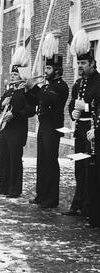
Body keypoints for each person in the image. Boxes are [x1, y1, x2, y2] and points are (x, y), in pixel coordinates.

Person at [25, 33, 69, 209]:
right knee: (41, 161)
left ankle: (51, 198)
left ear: (57, 71)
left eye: (49, 69)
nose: (45, 72)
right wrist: (28, 91)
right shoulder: (47, 86)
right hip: (43, 126)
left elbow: (48, 99)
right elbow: (36, 100)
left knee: (50, 161)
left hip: (53, 127)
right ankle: (41, 194)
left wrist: (34, 87)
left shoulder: (60, 86)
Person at [0, 47, 35, 198]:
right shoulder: (9, 91)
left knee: (15, 160)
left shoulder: (26, 92)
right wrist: (3, 103)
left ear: (21, 75)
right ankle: (2, 186)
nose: (13, 76)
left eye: (15, 74)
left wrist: (14, 114)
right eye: (12, 73)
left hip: (17, 130)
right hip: (5, 129)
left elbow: (30, 110)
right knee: (3, 159)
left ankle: (14, 189)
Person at [70, 29, 100, 226]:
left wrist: (87, 107)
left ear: (92, 64)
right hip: (80, 130)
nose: (80, 66)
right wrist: (73, 112)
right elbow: (72, 103)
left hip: (93, 130)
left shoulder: (99, 81)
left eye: (83, 63)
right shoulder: (79, 82)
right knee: (79, 169)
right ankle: (78, 204)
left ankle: (90, 207)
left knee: (91, 171)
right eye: (79, 63)